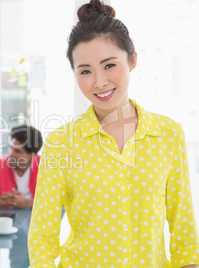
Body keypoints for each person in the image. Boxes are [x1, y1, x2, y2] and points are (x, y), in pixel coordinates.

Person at [28, 1, 199, 267]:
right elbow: (42, 235)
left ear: (132, 60)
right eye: (85, 71)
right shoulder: (62, 143)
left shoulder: (168, 135)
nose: (99, 82)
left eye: (109, 65)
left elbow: (182, 223)